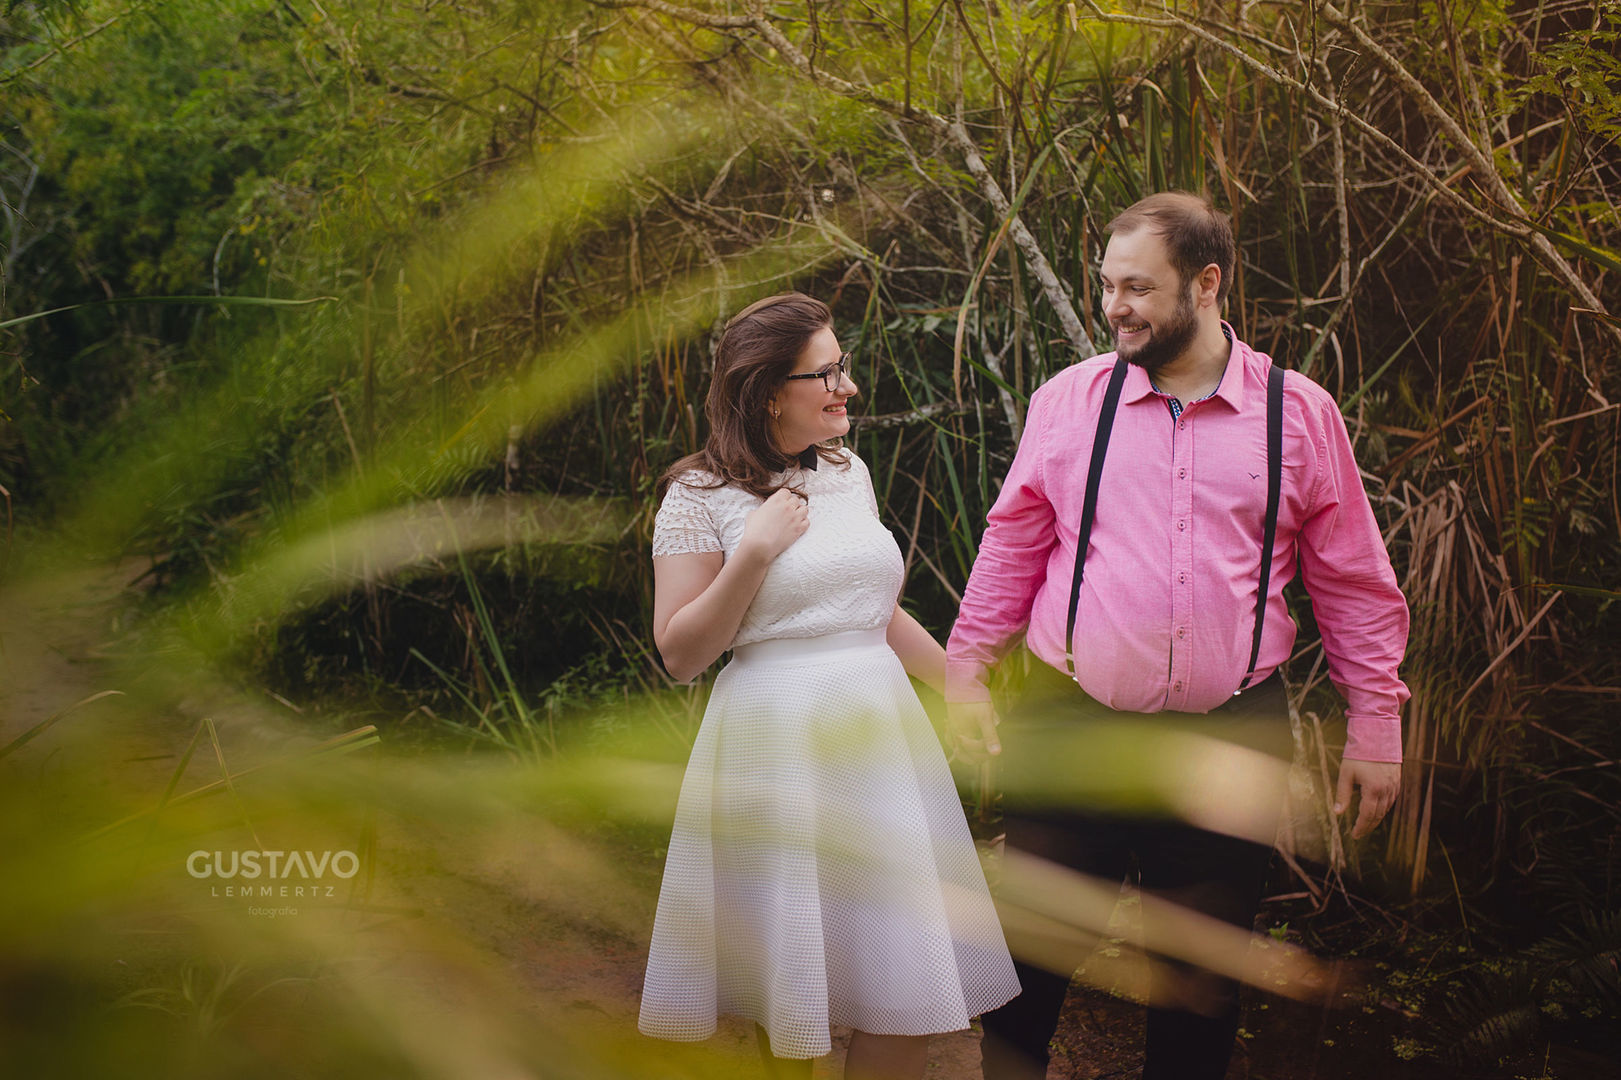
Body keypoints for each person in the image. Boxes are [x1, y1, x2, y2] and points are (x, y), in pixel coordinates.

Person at [944, 192, 1409, 1080]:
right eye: (1106, 285)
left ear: (1205, 283)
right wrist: (965, 673)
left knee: (1200, 985)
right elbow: (1011, 545)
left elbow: (1352, 582)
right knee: (1026, 966)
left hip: (1227, 737)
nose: (1114, 307)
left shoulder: (1297, 414)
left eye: (1137, 288)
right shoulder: (1069, 402)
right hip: (1068, 723)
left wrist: (1375, 725)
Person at [639, 292, 1020, 1079]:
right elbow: (679, 654)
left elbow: (871, 609)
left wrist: (959, 685)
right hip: (774, 741)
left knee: (907, 977)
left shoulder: (849, 472)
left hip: (881, 741)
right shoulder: (697, 495)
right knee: (791, 985)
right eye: (826, 373)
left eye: (842, 366)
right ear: (768, 392)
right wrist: (753, 552)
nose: (847, 385)